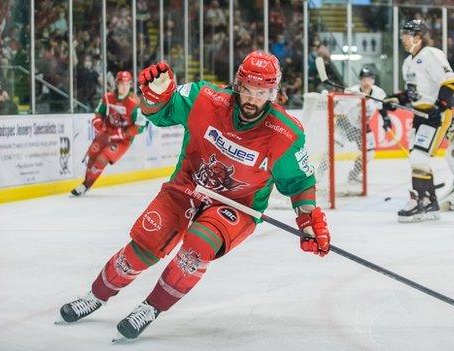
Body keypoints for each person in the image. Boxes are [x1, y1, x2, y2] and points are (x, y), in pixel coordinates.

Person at [58, 51, 332, 340]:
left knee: (197, 248)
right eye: (248, 90)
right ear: (237, 84)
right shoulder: (205, 97)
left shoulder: (285, 133)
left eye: (261, 92)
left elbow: (299, 182)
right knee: (144, 247)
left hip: (239, 204)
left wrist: (308, 221)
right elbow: (159, 113)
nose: (252, 99)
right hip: (187, 186)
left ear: (273, 92)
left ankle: (150, 308)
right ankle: (96, 296)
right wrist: (154, 98)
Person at [382, 19, 454, 222]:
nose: (402, 39)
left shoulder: (431, 55)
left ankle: (420, 201)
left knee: (419, 157)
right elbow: (412, 94)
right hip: (420, 116)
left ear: (418, 37)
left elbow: (450, 83)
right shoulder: (408, 62)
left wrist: (440, 107)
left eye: (406, 35)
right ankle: (431, 202)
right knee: (418, 159)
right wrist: (395, 99)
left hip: (436, 115)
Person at [71, 71, 146, 196]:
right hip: (106, 133)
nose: (124, 87)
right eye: (122, 84)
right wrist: (98, 121)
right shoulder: (107, 97)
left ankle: (85, 185)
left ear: (131, 85)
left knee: (102, 158)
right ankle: (86, 184)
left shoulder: (135, 103)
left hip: (123, 140)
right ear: (117, 84)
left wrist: (123, 133)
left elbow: (140, 127)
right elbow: (99, 113)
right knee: (92, 157)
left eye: (127, 84)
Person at [340, 67, 392, 182]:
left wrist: (386, 119)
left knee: (369, 154)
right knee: (332, 148)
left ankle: (353, 174)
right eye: (364, 79)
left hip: (363, 127)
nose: (366, 82)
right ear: (360, 80)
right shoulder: (352, 91)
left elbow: (382, 108)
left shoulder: (378, 92)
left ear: (373, 80)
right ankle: (319, 174)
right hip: (347, 125)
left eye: (369, 79)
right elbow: (341, 108)